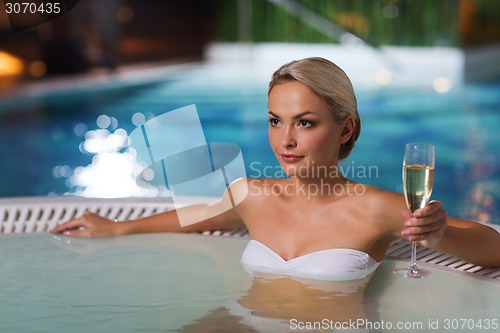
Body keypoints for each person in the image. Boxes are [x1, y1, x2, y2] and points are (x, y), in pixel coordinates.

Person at [51, 57, 500, 282]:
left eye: (305, 123)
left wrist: (440, 235)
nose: (285, 140)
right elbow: (196, 216)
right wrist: (117, 230)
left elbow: (493, 249)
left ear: (346, 130)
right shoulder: (253, 196)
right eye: (275, 121)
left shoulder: (374, 209)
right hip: (241, 323)